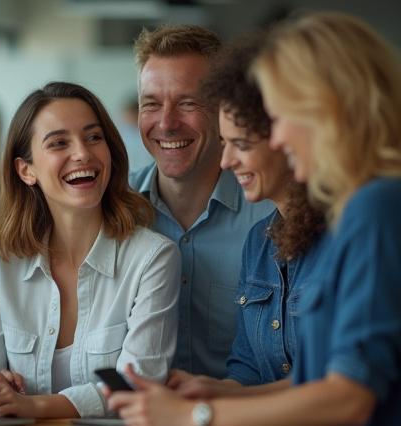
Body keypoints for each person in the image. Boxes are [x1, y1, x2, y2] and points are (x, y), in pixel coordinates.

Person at [107, 12, 401, 425]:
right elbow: (311, 379)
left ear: (329, 111)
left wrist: (198, 414)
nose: (277, 138)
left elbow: (350, 395)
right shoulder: (276, 233)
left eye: (280, 118)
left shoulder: (375, 207)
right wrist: (221, 393)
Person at [0, 82, 181, 418]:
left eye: (93, 137)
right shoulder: (1, 264)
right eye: (59, 143)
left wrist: (32, 405)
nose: (83, 153)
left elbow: (138, 384)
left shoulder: (152, 258)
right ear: (26, 170)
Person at [166, 34, 327, 398]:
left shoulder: (349, 231)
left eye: (241, 144)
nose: (226, 162)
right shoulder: (259, 239)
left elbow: (330, 389)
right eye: (224, 144)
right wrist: (211, 390)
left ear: (287, 138)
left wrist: (212, 409)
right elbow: (248, 366)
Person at [129, 25, 273, 378]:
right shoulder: (112, 209)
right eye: (151, 104)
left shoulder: (274, 215)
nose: (166, 123)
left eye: (187, 103)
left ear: (225, 109)